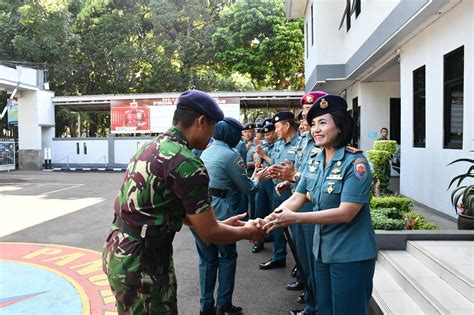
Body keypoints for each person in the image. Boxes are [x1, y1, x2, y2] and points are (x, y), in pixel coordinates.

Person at [102, 89, 265, 315]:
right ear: (200, 121)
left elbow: (164, 209)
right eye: (212, 127)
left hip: (121, 252)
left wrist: (223, 225)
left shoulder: (150, 147)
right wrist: (248, 231)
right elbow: (209, 234)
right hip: (144, 264)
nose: (212, 136)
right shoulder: (186, 162)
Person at [262, 94, 378, 315]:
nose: (315, 129)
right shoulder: (314, 159)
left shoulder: (356, 164)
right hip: (323, 252)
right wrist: (269, 219)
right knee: (324, 309)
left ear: (341, 126)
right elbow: (297, 198)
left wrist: (296, 218)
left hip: (351, 255)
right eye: (313, 123)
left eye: (323, 122)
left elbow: (346, 213)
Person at [193, 117, 267, 315]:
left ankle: (206, 306)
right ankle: (223, 304)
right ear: (231, 134)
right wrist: (258, 178)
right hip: (221, 209)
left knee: (207, 260)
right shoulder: (230, 155)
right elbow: (248, 188)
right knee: (227, 256)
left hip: (200, 209)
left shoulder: (206, 151)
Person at [258, 111, 299, 270]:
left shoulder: (300, 144)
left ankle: (299, 263)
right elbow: (274, 163)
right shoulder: (280, 143)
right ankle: (279, 256)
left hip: (293, 191)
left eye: (277, 127)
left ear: (287, 125)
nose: (275, 131)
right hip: (277, 189)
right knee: (277, 225)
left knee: (296, 231)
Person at [251, 122, 278, 253]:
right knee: (259, 211)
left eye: (269, 134)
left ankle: (275, 243)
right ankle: (258, 241)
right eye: (264, 135)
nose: (266, 137)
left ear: (275, 133)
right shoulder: (264, 146)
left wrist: (264, 155)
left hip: (274, 183)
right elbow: (257, 163)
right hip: (262, 181)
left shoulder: (280, 146)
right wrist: (258, 158)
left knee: (274, 213)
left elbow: (277, 164)